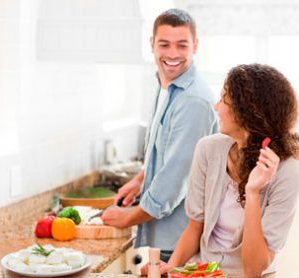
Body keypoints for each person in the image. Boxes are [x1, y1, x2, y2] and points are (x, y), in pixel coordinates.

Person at [141, 63, 299, 277]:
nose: (216, 106)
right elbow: (195, 228)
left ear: (247, 113)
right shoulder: (208, 149)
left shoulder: (287, 171)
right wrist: (172, 267)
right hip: (203, 272)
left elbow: (254, 269)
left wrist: (252, 193)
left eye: (224, 99)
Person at [101, 8, 218, 262]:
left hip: (181, 241)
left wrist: (128, 217)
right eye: (164, 44)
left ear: (195, 46)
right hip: (167, 237)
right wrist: (140, 180)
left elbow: (174, 180)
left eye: (182, 45)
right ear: (152, 44)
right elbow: (163, 151)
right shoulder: (167, 86)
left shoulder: (193, 101)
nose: (173, 54)